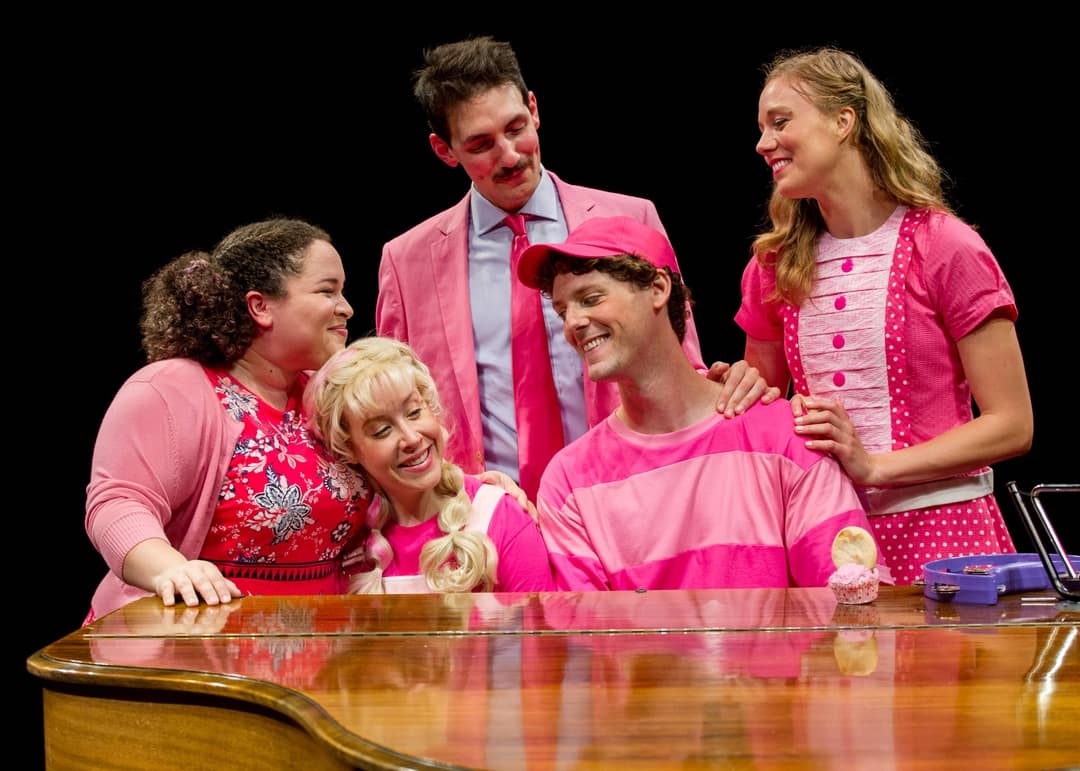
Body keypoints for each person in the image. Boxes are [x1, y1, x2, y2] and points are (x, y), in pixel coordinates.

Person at [376, 35, 775, 502]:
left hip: (630, 496)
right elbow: (398, 404)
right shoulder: (406, 262)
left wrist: (728, 383)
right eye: (481, 144)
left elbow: (682, 363)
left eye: (516, 127)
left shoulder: (632, 218)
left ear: (534, 108)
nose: (510, 155)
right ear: (445, 150)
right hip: (484, 515)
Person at [736, 47, 1034, 584]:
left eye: (780, 122)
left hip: (944, 536)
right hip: (824, 540)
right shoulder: (772, 267)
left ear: (843, 121)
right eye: (761, 129)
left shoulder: (944, 246)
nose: (763, 143)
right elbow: (764, 412)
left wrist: (875, 467)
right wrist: (731, 390)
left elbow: (1012, 425)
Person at [517, 215, 878, 591]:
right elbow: (587, 626)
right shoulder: (569, 482)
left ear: (658, 288)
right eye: (563, 311)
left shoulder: (788, 437)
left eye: (590, 299)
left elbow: (848, 603)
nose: (572, 323)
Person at [84, 218, 370, 622]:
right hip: (195, 638)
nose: (346, 307)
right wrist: (170, 569)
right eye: (328, 291)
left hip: (321, 641)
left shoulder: (327, 395)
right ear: (260, 306)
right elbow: (118, 502)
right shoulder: (170, 388)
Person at [305, 336, 554, 592]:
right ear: (348, 449)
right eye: (382, 430)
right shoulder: (346, 542)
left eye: (414, 412)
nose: (412, 438)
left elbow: (537, 619)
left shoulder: (499, 514)